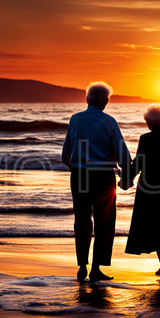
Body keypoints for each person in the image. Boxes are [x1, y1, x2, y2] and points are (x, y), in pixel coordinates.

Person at [62, 81, 131, 282]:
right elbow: (122, 154)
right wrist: (126, 176)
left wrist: (74, 168)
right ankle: (96, 269)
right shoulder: (109, 121)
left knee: (82, 221)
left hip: (80, 174)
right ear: (106, 102)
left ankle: (82, 266)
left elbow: (66, 154)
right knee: (105, 223)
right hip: (103, 176)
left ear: (86, 99)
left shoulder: (75, 119)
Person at [125, 104, 160, 279]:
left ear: (150, 122)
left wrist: (127, 178)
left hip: (148, 186)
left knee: (155, 224)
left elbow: (139, 164)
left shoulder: (145, 139)